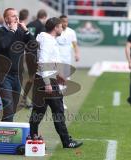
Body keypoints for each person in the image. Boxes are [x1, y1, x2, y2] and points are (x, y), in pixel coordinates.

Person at [29, 17, 83, 148]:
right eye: (60, 26)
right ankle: (66, 141)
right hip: (46, 80)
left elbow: (49, 61)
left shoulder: (44, 38)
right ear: (55, 28)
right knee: (58, 110)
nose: (62, 28)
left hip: (41, 79)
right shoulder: (47, 40)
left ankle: (33, 136)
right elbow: (42, 62)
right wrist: (47, 82)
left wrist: (59, 75)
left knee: (39, 110)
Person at [0, 8, 34, 122]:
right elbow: (3, 45)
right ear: (6, 19)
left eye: (17, 16)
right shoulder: (0, 31)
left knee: (12, 109)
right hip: (4, 75)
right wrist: (12, 31)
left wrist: (26, 31)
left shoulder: (21, 32)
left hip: (18, 75)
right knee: (8, 107)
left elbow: (33, 45)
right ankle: (7, 136)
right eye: (13, 16)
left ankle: (2, 133)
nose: (16, 18)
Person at [56, 15, 80, 109]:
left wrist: (77, 54)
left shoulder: (71, 32)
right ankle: (59, 102)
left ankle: (60, 101)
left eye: (66, 21)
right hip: (57, 60)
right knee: (58, 81)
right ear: (60, 22)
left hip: (67, 61)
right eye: (63, 21)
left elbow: (75, 44)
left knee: (65, 82)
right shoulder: (56, 31)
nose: (65, 23)